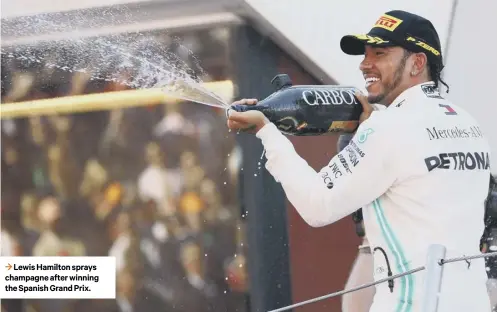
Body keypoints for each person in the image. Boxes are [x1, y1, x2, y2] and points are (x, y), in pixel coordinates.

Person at [226, 10, 493, 312]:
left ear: (418, 63)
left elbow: (317, 204)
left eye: (380, 54)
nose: (365, 64)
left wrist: (266, 132)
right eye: (365, 55)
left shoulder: (389, 128)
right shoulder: (467, 123)